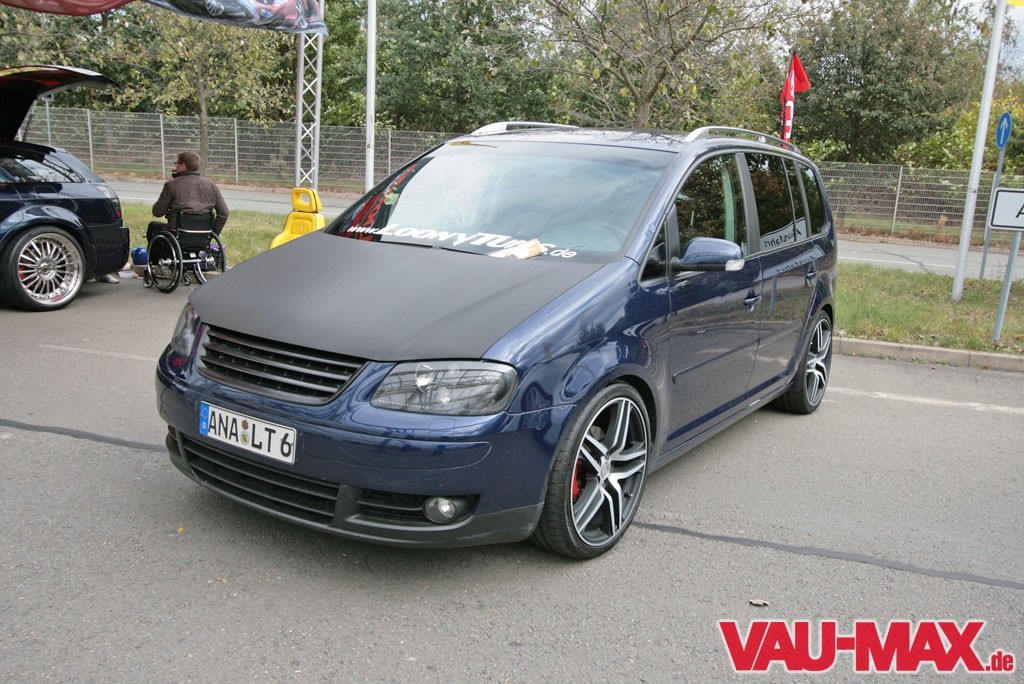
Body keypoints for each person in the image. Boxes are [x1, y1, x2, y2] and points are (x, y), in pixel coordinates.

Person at [147, 151, 229, 241]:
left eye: (177, 163)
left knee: (153, 226)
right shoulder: (211, 185)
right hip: (204, 233)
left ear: (183, 166)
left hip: (177, 232)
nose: (176, 166)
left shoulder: (171, 185)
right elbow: (224, 213)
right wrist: (214, 233)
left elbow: (158, 212)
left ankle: (155, 250)